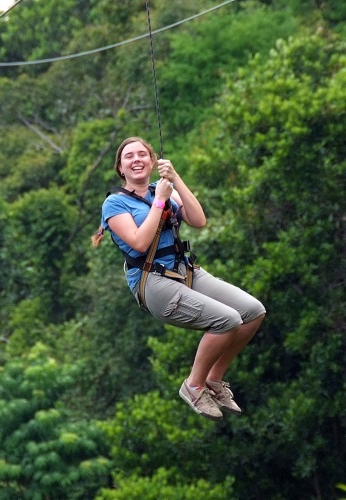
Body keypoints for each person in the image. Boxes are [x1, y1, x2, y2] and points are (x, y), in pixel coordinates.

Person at [94, 137, 266, 420]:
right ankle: (194, 386)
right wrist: (160, 201)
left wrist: (175, 181)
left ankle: (213, 379)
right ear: (120, 168)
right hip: (153, 282)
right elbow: (139, 243)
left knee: (253, 311)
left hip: (184, 271)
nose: (136, 159)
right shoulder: (114, 204)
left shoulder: (162, 189)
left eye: (142, 154)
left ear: (152, 162)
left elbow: (199, 221)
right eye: (129, 157)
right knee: (228, 320)